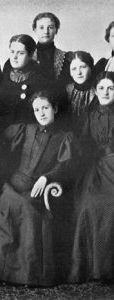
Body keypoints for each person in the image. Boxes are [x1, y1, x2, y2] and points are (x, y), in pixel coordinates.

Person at [0, 90, 75, 286]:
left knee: (28, 209)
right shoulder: (25, 129)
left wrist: (47, 178)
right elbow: (1, 147)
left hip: (37, 188)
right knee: (10, 205)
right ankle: (2, 273)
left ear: (54, 108)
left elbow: (64, 165)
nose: (42, 113)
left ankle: (29, 275)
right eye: (37, 109)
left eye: (45, 108)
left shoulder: (64, 136)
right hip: (13, 184)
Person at [70, 71, 114, 283]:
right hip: (96, 169)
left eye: (111, 88)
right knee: (88, 205)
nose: (106, 92)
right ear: (96, 91)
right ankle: (93, 268)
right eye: (102, 88)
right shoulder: (89, 115)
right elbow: (81, 144)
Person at [0, 34, 46, 130]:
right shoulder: (4, 74)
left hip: (27, 132)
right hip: (3, 130)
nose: (14, 57)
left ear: (31, 54)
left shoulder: (39, 79)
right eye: (12, 52)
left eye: (20, 53)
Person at [32, 12, 72, 85]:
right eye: (41, 27)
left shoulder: (66, 58)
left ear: (56, 30)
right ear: (35, 30)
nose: (46, 32)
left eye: (50, 27)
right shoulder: (27, 56)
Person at [66, 51, 96, 133]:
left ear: (91, 68)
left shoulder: (98, 92)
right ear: (70, 72)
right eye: (74, 69)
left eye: (83, 67)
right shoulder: (66, 90)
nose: (78, 73)